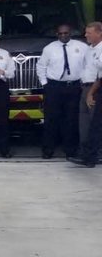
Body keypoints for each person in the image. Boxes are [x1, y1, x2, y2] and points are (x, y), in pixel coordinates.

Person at [36, 23, 90, 159]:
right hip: (54, 87)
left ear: (70, 33)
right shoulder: (49, 49)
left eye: (66, 33)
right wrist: (45, 84)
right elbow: (41, 66)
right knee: (51, 119)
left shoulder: (81, 47)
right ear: (57, 34)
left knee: (71, 119)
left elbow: (87, 65)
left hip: (74, 87)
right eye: (60, 33)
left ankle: (70, 150)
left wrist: (83, 81)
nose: (63, 35)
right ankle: (48, 149)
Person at [69, 21, 102, 168]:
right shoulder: (89, 49)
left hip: (95, 89)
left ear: (99, 32)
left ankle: (94, 155)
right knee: (84, 123)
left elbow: (100, 76)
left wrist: (91, 94)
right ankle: (84, 153)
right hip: (85, 87)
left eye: (89, 32)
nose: (85, 35)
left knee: (94, 124)